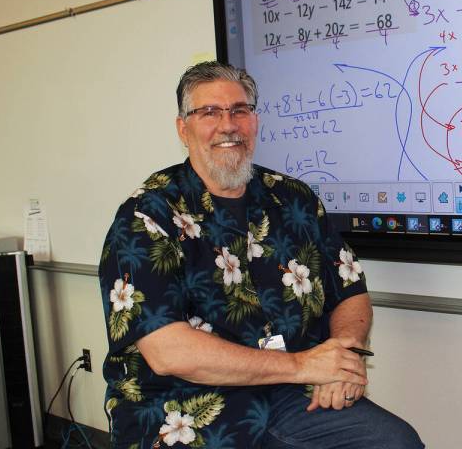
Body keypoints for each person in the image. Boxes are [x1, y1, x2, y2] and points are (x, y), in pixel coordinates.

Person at [98, 61, 424, 448]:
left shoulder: (294, 199)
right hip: (183, 405)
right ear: (183, 129)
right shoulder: (147, 216)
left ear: (255, 120)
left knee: (395, 442)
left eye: (240, 110)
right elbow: (169, 352)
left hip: (294, 393)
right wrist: (304, 365)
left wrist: (341, 360)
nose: (228, 125)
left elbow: (351, 291)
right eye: (209, 112)